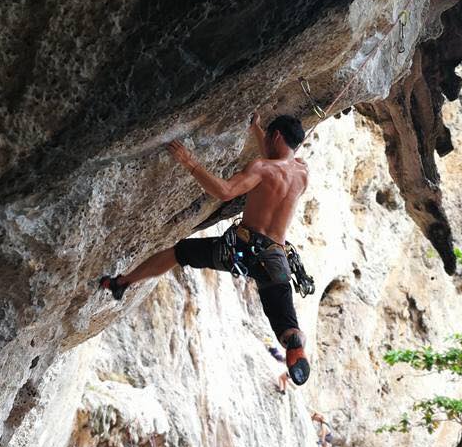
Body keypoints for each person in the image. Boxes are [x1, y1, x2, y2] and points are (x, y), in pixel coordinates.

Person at [101, 114, 311, 386]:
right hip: (276, 259)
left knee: (179, 252)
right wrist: (257, 129)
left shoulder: (261, 168)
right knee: (285, 321)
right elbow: (274, 165)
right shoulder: (302, 174)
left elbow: (225, 192)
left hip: (245, 249)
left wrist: (189, 162)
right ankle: (294, 343)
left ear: (277, 136)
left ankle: (122, 282)